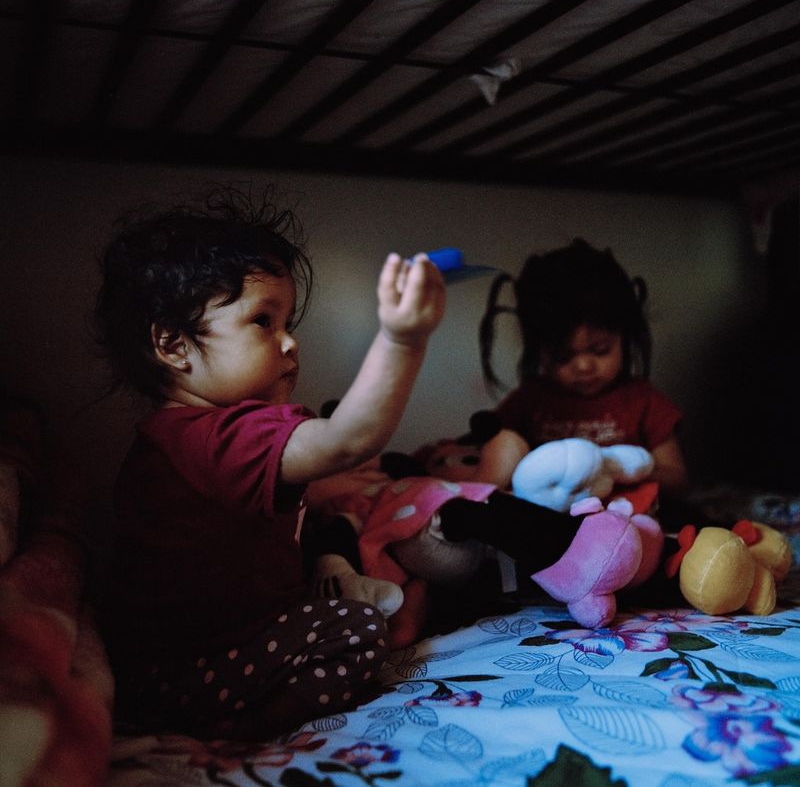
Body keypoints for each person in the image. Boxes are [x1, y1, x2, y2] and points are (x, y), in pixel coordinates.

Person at [93, 185, 446, 740]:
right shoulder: (221, 436)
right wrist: (403, 340)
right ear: (174, 345)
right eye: (263, 321)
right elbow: (349, 438)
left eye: (287, 324)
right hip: (189, 671)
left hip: (160, 665)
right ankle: (246, 732)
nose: (290, 344)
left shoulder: (180, 438)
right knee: (356, 631)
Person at [475, 239, 689, 507]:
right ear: (538, 351)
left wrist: (613, 469)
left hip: (624, 522)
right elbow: (490, 459)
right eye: (563, 357)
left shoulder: (642, 401)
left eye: (600, 350)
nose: (584, 367)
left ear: (625, 338)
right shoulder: (530, 400)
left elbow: (677, 481)